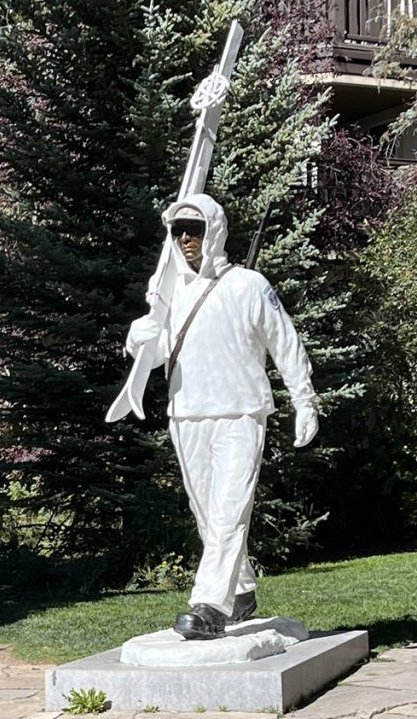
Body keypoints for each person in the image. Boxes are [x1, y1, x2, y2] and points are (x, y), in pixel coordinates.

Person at [125, 193, 318, 640]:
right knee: (208, 513)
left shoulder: (249, 285)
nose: (187, 239)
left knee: (230, 510)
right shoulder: (169, 295)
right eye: (178, 231)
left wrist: (304, 400)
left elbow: (284, 343)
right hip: (187, 413)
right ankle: (243, 590)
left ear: (214, 230)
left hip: (240, 411)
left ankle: (210, 604)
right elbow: (153, 358)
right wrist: (140, 338)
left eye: (195, 229)